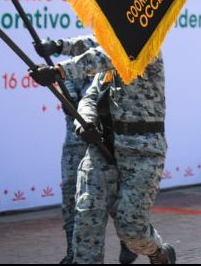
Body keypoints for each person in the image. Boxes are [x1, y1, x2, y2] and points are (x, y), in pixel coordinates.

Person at [30, 49, 176, 264]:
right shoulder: (105, 66)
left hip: (142, 152)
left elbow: (114, 56)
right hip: (103, 148)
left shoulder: (144, 47)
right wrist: (85, 123)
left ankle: (157, 251)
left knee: (131, 229)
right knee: (86, 220)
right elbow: (89, 98)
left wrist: (59, 70)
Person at [33, 36, 138, 265]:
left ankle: (128, 240)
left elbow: (89, 48)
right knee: (71, 199)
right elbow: (68, 101)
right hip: (75, 142)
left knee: (108, 197)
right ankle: (73, 254)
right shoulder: (69, 73)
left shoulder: (106, 58)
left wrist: (58, 46)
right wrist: (52, 77)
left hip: (104, 142)